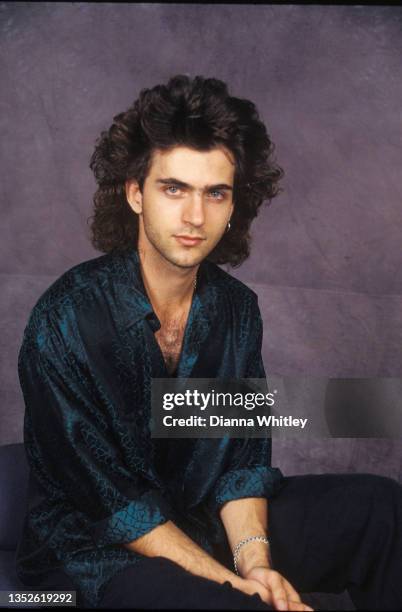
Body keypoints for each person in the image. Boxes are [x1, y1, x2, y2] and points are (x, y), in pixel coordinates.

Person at [16, 74, 402, 611]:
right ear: (135, 194)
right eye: (173, 188)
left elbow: (240, 465)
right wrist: (230, 583)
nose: (195, 217)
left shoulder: (235, 309)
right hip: (96, 554)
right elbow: (112, 504)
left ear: (231, 205)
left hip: (201, 521)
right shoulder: (64, 319)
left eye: (214, 193)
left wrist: (258, 566)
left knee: (380, 510)